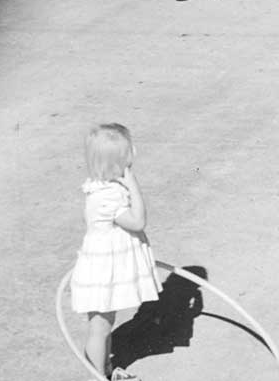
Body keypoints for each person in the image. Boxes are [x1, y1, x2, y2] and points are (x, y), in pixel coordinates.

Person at [70, 123, 160, 381]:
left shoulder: (102, 186)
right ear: (116, 165)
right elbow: (138, 222)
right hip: (103, 270)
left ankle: (105, 371)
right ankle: (98, 375)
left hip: (105, 266)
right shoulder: (109, 196)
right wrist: (134, 187)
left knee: (105, 324)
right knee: (100, 326)